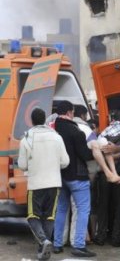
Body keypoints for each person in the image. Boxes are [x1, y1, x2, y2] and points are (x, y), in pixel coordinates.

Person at [18, 108, 70, 261]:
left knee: (32, 216)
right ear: (44, 119)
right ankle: (43, 248)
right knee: (49, 217)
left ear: (32, 121)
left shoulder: (26, 139)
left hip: (36, 184)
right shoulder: (56, 137)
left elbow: (21, 164)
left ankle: (43, 240)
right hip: (54, 183)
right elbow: (65, 162)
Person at [52, 100, 96, 257]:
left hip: (58, 176)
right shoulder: (76, 131)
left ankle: (57, 244)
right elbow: (85, 154)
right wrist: (97, 151)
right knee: (83, 209)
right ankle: (78, 245)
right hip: (77, 176)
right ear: (70, 112)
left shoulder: (52, 129)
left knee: (61, 209)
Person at [93, 110, 120, 247]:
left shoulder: (103, 132)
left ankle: (100, 237)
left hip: (104, 173)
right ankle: (117, 238)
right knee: (119, 206)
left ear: (111, 119)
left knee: (103, 205)